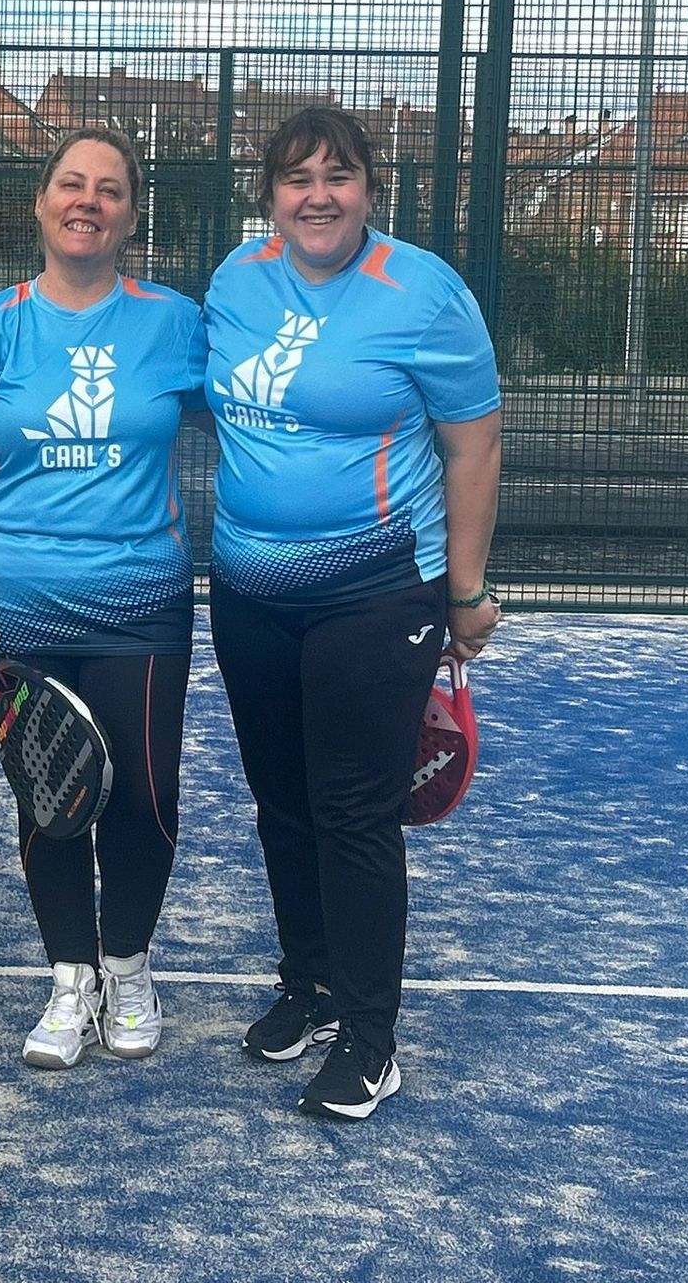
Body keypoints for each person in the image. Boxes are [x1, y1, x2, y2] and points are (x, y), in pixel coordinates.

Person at [204, 106, 502, 1120]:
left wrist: (464, 589)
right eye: (297, 177)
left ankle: (372, 1040)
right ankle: (312, 988)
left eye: (339, 174)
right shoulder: (234, 283)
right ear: (270, 196)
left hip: (378, 593)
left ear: (371, 186)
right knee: (282, 802)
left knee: (353, 812)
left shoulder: (424, 293)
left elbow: (473, 448)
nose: (318, 195)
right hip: (245, 593)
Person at [0, 128, 207, 1069]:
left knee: (143, 795)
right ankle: (69, 980)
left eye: (111, 190)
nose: (88, 201)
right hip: (20, 609)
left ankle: (128, 969)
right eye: (71, 185)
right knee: (54, 800)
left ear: (132, 215)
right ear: (43, 203)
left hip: (144, 601)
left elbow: (267, 405)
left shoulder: (174, 322)